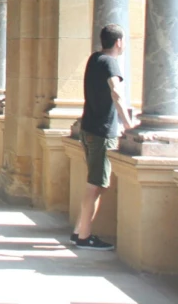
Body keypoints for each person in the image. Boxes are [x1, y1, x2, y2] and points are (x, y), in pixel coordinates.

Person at [71, 23, 135, 251]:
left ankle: (80, 229)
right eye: (124, 40)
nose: (125, 44)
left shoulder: (94, 58)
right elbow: (116, 91)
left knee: (94, 182)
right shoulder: (110, 62)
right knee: (96, 185)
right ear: (118, 42)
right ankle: (83, 236)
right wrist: (128, 124)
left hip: (89, 126)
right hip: (102, 130)